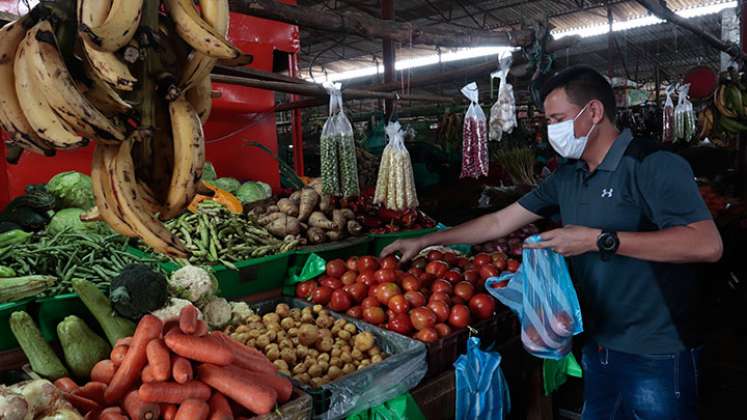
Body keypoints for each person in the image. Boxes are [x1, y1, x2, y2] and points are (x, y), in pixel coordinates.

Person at [382, 66, 723, 420]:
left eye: (557, 119)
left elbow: (706, 244)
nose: (550, 131)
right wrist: (425, 240)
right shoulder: (568, 176)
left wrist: (598, 240)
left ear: (593, 112)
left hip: (658, 351)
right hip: (598, 343)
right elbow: (498, 222)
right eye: (548, 121)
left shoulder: (652, 164)